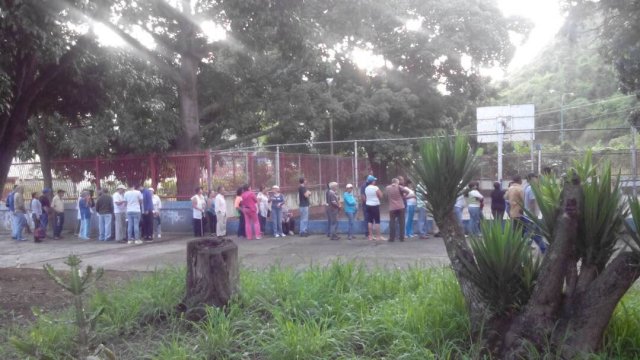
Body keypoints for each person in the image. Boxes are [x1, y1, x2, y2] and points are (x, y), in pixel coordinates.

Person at [386, 178, 408, 242]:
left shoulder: (388, 188)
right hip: (401, 207)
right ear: (396, 182)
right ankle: (402, 238)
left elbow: (386, 195)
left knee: (392, 222)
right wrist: (403, 197)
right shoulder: (399, 187)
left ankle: (391, 238)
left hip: (392, 208)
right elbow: (407, 191)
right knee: (402, 222)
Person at [364, 175, 384, 241]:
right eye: (374, 180)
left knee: (370, 221)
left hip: (368, 205)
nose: (375, 181)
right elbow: (381, 195)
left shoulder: (366, 188)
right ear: (372, 181)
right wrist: (377, 197)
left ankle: (370, 236)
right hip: (375, 205)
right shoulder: (375, 188)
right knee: (377, 221)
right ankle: (378, 236)